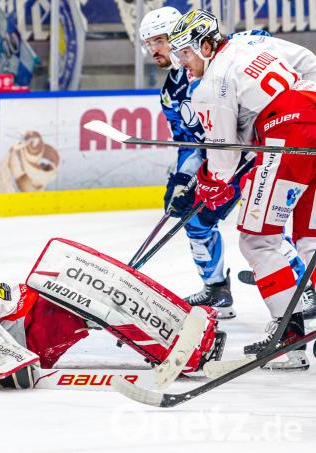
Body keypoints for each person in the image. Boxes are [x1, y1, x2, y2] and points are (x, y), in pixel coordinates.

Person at [0, 165, 226, 386]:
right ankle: (185, 353)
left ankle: (187, 323)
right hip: (20, 334)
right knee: (89, 297)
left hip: (21, 302)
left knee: (88, 271)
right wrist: (1, 361)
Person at [169, 10, 316, 369]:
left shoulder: (212, 84)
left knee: (258, 241)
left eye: (185, 52)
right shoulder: (251, 42)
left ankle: (288, 336)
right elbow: (308, 62)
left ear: (206, 46)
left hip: (287, 139)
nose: (182, 63)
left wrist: (207, 184)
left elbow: (223, 159)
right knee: (310, 240)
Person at [138, 6, 249, 318]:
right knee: (195, 220)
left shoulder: (223, 60)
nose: (154, 49)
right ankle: (216, 289)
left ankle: (302, 290)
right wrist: (182, 179)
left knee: (263, 226)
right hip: (218, 161)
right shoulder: (172, 90)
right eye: (148, 43)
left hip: (252, 155)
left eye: (159, 40)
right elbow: (188, 141)